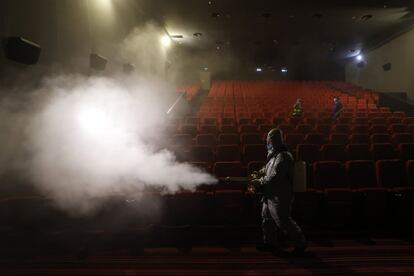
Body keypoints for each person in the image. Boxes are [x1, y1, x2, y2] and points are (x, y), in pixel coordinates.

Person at [251, 128, 307, 255]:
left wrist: (260, 182)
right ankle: (269, 242)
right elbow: (267, 169)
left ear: (273, 140)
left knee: (283, 220)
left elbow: (275, 176)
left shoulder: (283, 156)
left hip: (280, 194)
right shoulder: (273, 155)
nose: (267, 142)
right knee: (266, 218)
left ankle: (300, 243)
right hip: (270, 193)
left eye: (269, 140)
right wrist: (258, 174)